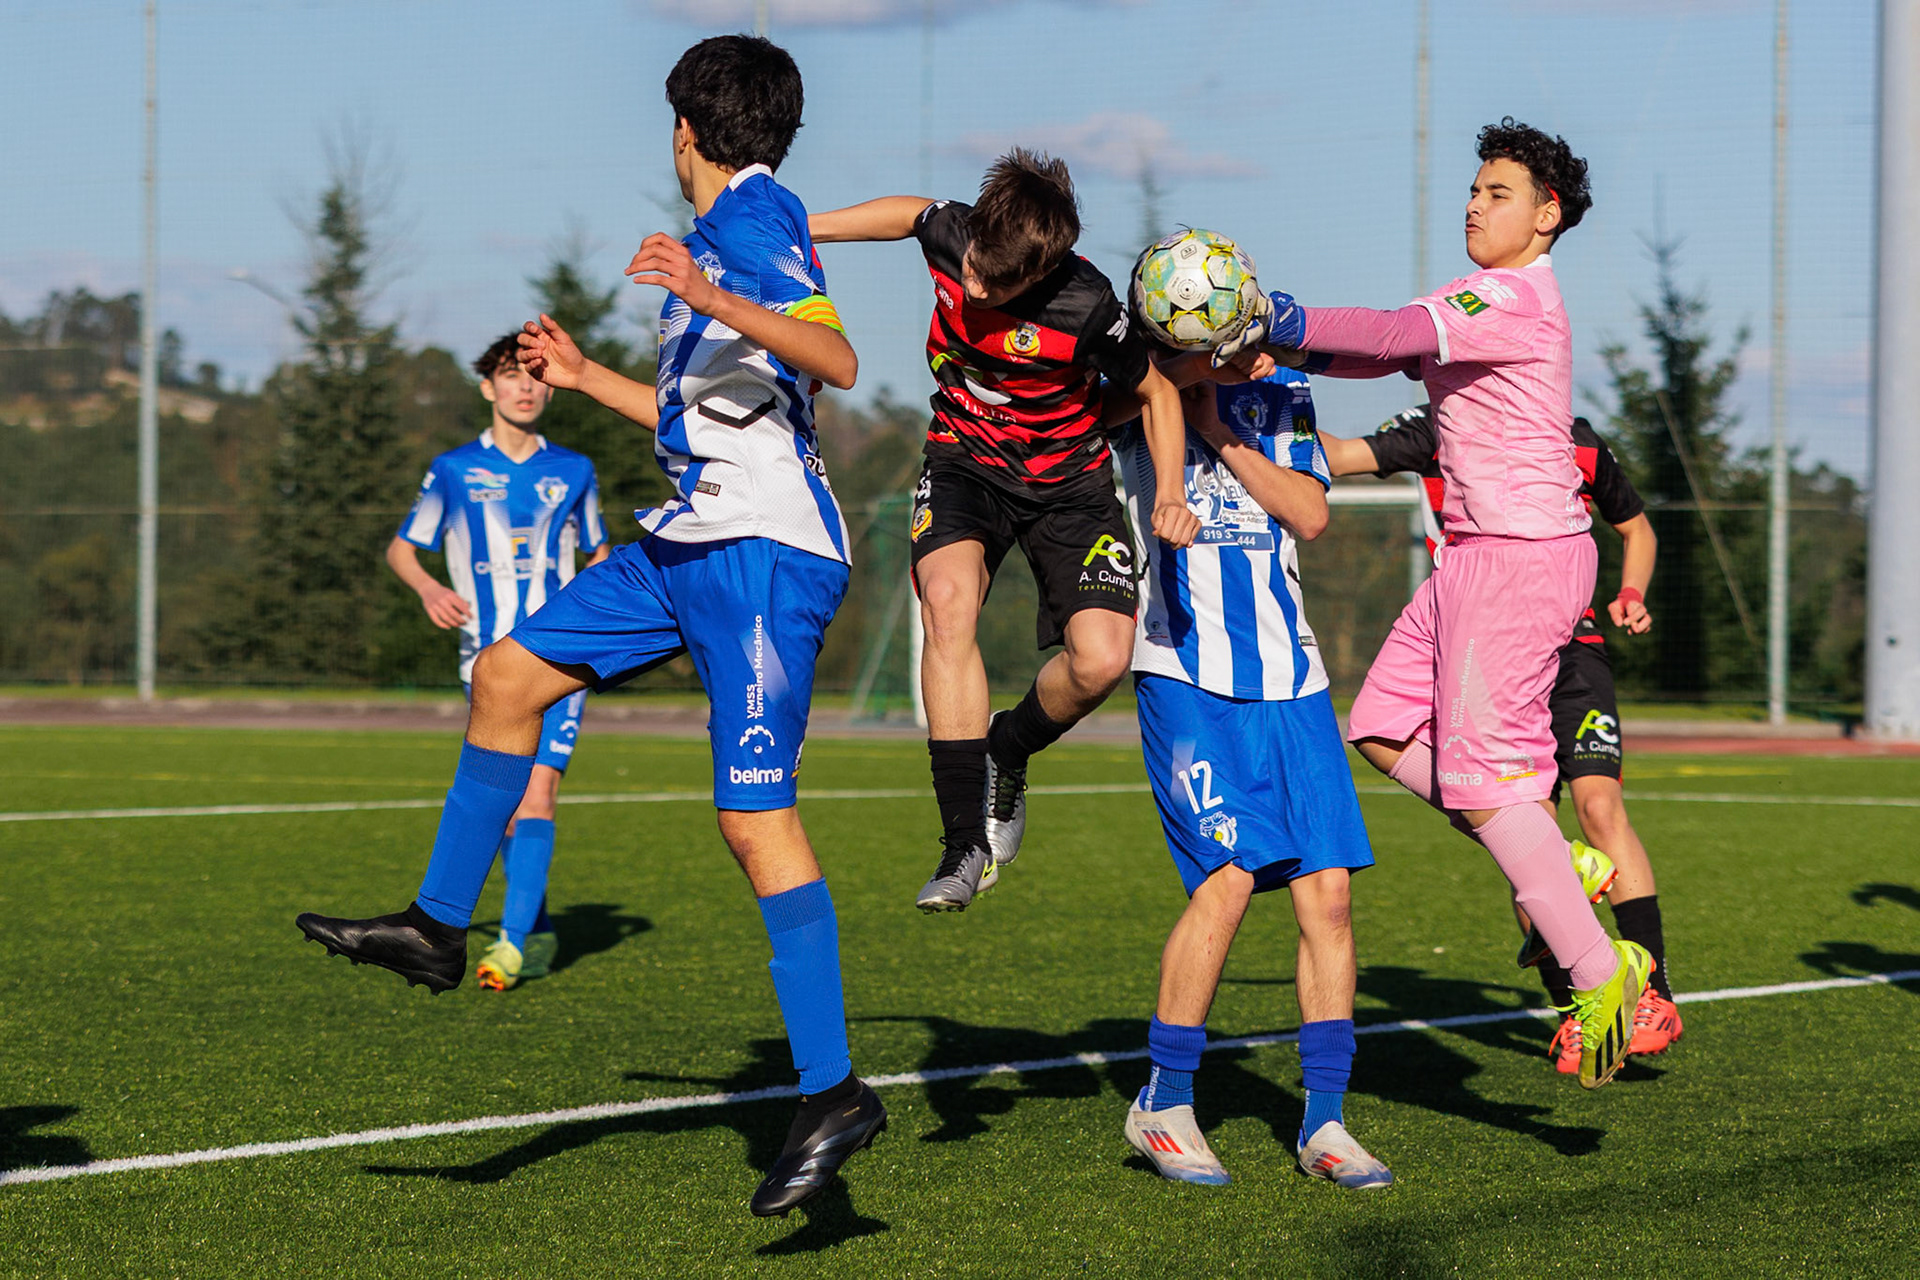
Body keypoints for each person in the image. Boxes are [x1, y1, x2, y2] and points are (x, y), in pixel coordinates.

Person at [297, 35, 884, 1217]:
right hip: (688, 539)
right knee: (508, 676)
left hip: (763, 554)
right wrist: (581, 378)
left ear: (684, 131)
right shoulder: (734, 229)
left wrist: (707, 292)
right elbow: (705, 417)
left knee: (753, 819)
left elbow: (838, 357)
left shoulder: (751, 218)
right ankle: (436, 926)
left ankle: (832, 1091)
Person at [1215, 117, 1652, 1088]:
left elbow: (1386, 333)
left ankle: (1601, 971)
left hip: (1520, 563)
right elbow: (1381, 356)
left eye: (1497, 193)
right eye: (1473, 189)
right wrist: (1272, 347)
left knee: (1488, 787)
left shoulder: (1512, 296)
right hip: (1473, 562)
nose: (1473, 205)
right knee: (1378, 726)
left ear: (1547, 215)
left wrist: (1266, 314)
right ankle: (1553, 857)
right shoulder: (1483, 299)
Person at [809, 152, 1198, 912]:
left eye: (997, 283)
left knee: (1100, 662)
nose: (976, 286)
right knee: (947, 602)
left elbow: (1156, 393)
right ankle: (963, 844)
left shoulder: (1089, 306)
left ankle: (1007, 748)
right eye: (974, 267)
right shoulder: (960, 236)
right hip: (965, 463)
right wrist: (805, 225)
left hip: (1069, 485)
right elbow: (909, 213)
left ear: (1043, 274)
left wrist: (1173, 494)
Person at [1321, 405, 1682, 1070]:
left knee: (1600, 806)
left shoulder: (1575, 438)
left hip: (1572, 650)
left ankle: (1652, 993)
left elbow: (1636, 528)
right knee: (1522, 822)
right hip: (1487, 645)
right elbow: (1341, 455)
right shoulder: (1443, 425)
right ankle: (1579, 1008)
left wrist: (1631, 590)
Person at [1112, 359, 1391, 1190]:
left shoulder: (1283, 388)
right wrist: (1182, 388)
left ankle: (1325, 1121)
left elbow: (1309, 512)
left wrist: (1220, 429)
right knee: (1228, 878)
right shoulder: (1145, 378)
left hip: (1293, 681)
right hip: (1184, 672)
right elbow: (1106, 410)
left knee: (1329, 896)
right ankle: (1164, 1102)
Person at [387, 334, 609, 991]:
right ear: (488, 387)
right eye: (512, 375)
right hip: (484, 658)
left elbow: (598, 553)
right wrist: (429, 589)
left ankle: (511, 946)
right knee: (508, 799)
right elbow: (403, 549)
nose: (525, 387)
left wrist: (598, 621)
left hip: (562, 656)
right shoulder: (454, 469)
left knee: (537, 793)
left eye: (536, 375)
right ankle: (535, 926)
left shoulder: (574, 470)